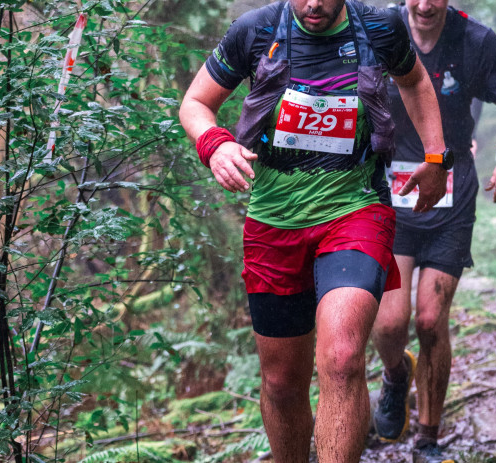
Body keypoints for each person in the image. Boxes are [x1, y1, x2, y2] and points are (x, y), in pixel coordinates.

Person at [179, 1, 449, 461]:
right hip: (274, 220)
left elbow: (415, 80)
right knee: (283, 384)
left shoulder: (379, 28)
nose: (314, 5)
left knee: (342, 359)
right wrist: (214, 144)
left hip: (356, 208)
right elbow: (196, 103)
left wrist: (436, 157)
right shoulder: (256, 31)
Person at [370, 0, 496, 461]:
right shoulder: (380, 28)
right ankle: (395, 374)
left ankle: (427, 436)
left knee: (429, 319)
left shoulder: (476, 41)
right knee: (388, 322)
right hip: (392, 193)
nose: (425, 5)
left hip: (451, 192)